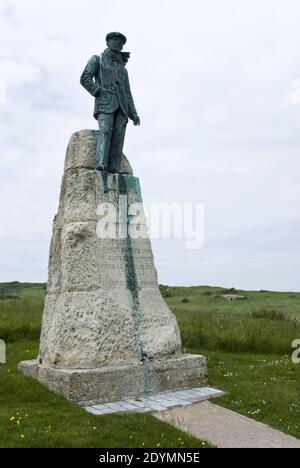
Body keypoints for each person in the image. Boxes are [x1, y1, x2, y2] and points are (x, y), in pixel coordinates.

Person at [80, 32, 140, 173]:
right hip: (105, 103)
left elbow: (128, 93)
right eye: (115, 40)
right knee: (105, 130)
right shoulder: (98, 59)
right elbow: (85, 77)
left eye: (121, 42)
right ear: (108, 42)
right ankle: (101, 162)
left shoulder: (122, 70)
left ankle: (114, 167)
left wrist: (134, 113)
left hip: (122, 107)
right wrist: (98, 91)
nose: (118, 43)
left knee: (119, 136)